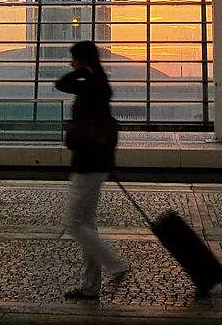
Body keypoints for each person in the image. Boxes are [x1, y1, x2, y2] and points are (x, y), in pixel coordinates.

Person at [55, 40, 128, 300]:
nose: (69, 63)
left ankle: (116, 265)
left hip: (88, 164)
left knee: (75, 223)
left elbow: (61, 84)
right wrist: (86, 69)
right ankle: (90, 286)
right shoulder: (98, 85)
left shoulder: (93, 87)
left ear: (83, 59)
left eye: (73, 58)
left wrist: (82, 70)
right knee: (86, 224)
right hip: (94, 163)